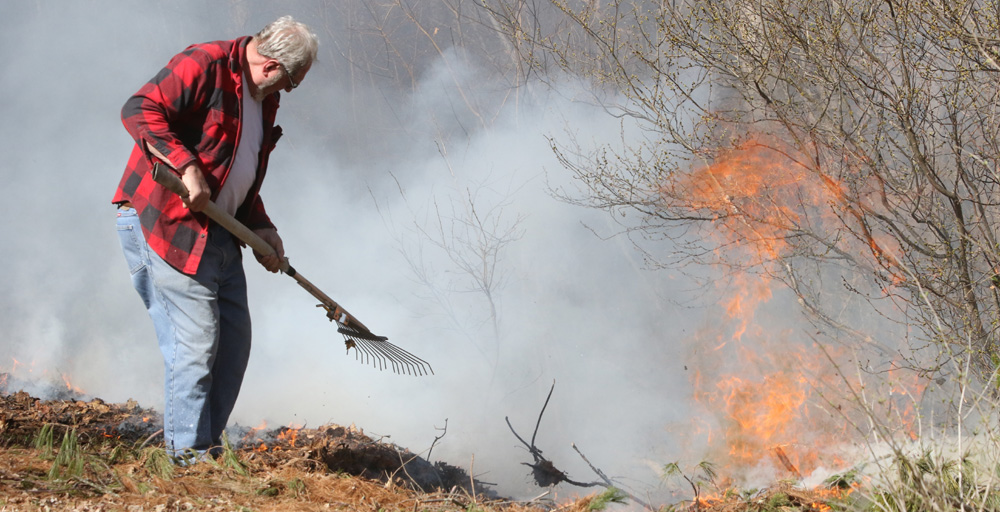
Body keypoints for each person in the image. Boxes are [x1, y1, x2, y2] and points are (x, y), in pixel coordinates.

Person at [112, 16, 318, 461]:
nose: (287, 92)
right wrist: (185, 165)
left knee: (233, 344)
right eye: (292, 82)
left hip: (220, 234)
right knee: (197, 343)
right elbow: (138, 108)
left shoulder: (262, 99)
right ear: (272, 66)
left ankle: (202, 450)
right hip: (166, 223)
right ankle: (187, 460)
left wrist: (261, 225)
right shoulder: (204, 63)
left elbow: (236, 172)